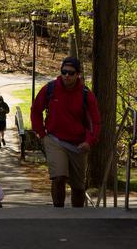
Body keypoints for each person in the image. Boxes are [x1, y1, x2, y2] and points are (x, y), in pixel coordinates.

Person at [30, 56, 101, 208]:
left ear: (78, 74)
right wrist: (41, 133)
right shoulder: (50, 89)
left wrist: (89, 141)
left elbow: (94, 121)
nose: (67, 76)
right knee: (59, 178)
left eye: (71, 73)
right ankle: (58, 213)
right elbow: (36, 110)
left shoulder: (86, 94)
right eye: (64, 72)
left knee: (78, 186)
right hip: (55, 140)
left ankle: (77, 217)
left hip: (78, 144)